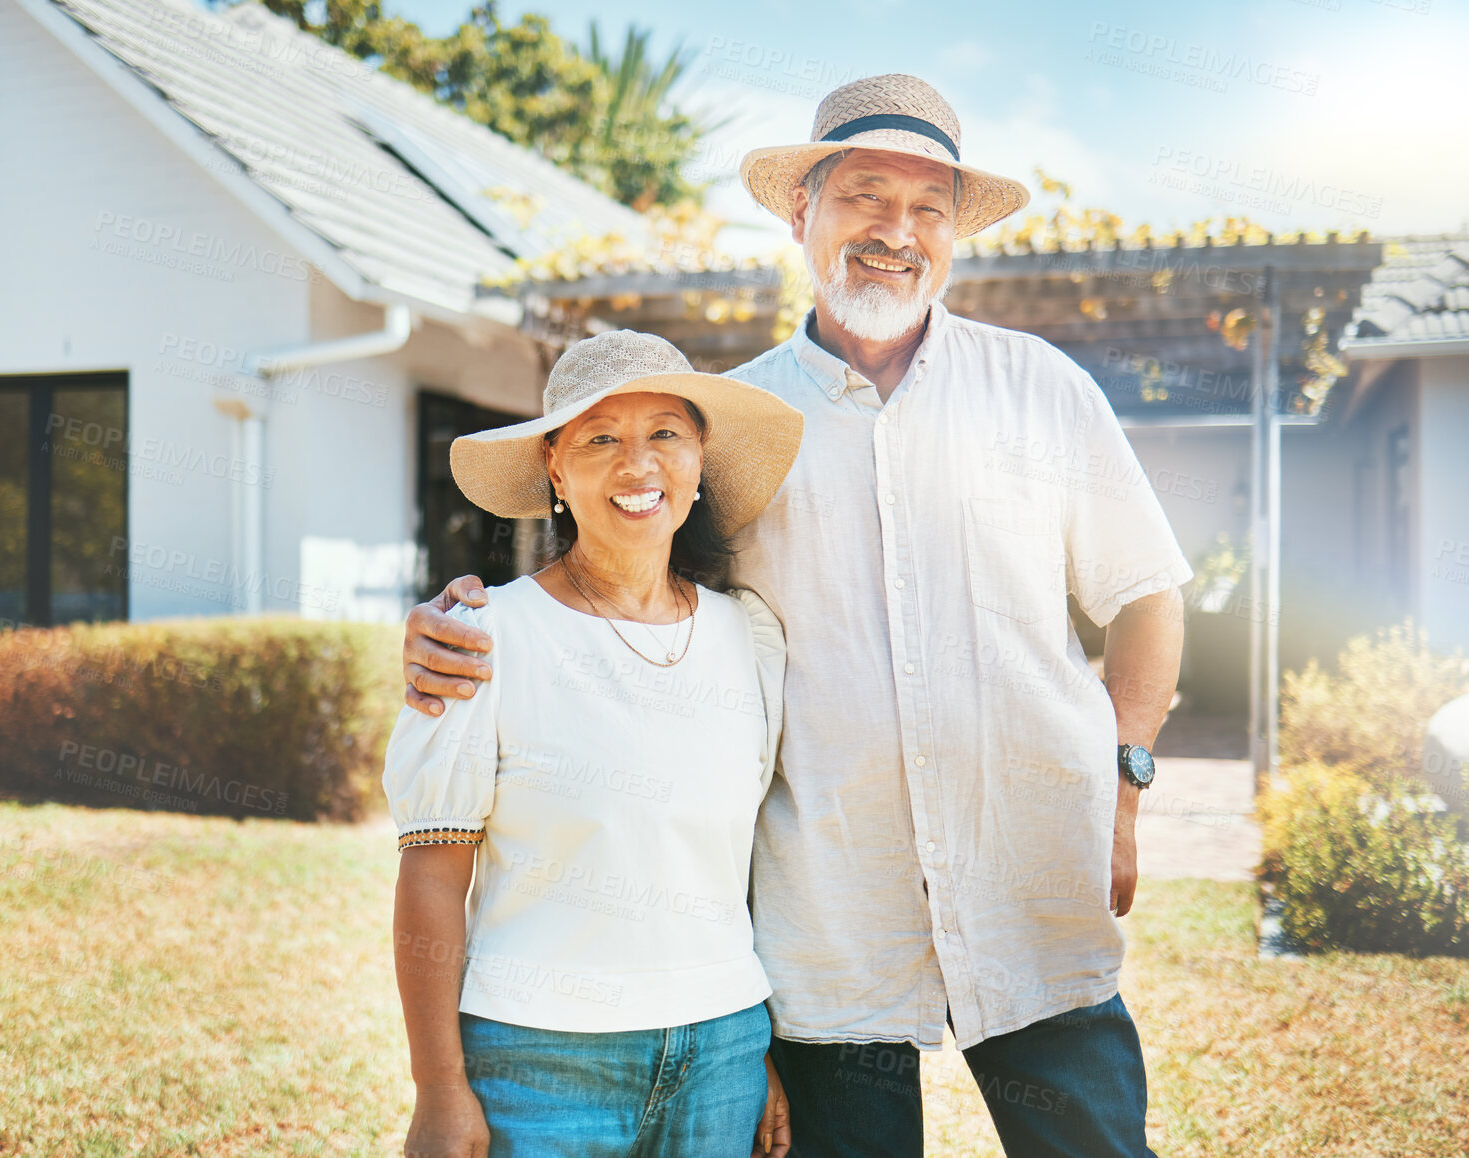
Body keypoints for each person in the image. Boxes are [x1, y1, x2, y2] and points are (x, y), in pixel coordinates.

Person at [403, 75, 1193, 1158]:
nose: (894, 232)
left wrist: (1124, 780)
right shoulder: (736, 433)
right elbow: (634, 589)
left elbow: (1145, 591)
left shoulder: (1042, 392)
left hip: (1030, 886)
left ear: (953, 234)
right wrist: (466, 621)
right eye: (865, 196)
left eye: (927, 209)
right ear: (801, 215)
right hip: (830, 920)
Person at [383, 328, 807, 1157]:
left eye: (665, 435)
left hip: (722, 1055)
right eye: (600, 439)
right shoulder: (481, 636)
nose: (637, 464)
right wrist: (439, 1090)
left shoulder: (748, 636)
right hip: (540, 1061)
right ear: (555, 471)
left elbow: (741, 865)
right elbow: (431, 874)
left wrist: (761, 1054)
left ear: (699, 463)